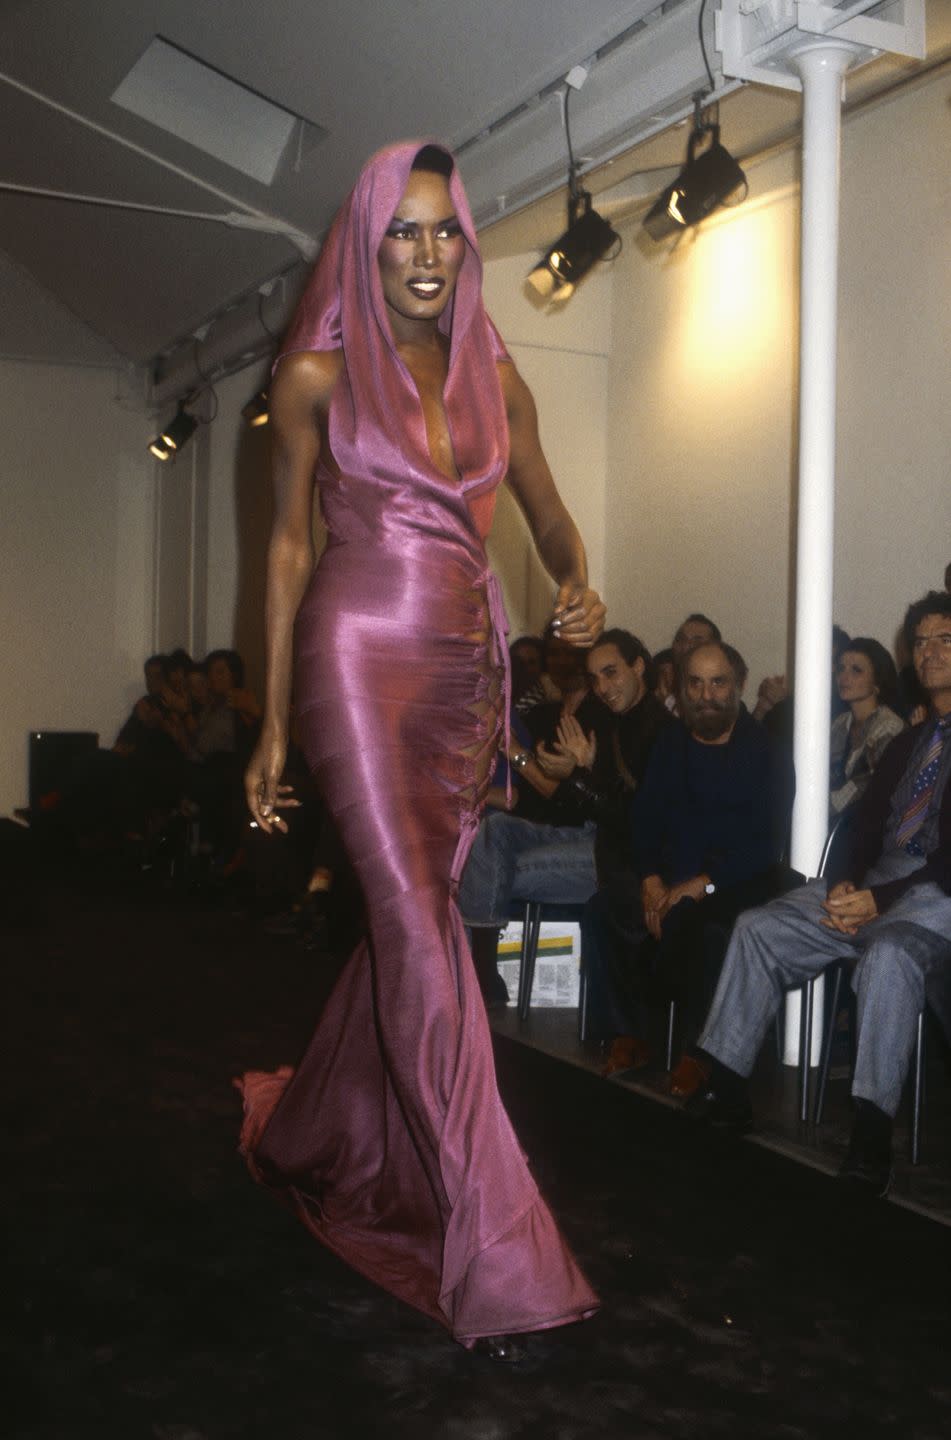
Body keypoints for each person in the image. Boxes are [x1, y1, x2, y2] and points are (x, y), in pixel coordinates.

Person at [236, 141, 603, 1357]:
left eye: (446, 231)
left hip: (462, 674)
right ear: (366, 242)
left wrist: (579, 581)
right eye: (405, 231)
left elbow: (547, 515)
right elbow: (288, 550)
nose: (429, 252)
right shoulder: (313, 376)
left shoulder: (501, 375)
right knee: (409, 920)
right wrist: (276, 718)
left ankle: (322, 1131)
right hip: (353, 659)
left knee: (416, 925)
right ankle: (491, 1233)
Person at [687, 591, 951, 1196]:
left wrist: (881, 903)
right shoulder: (911, 742)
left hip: (938, 895)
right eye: (922, 641)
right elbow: (862, 822)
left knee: (888, 958)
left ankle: (869, 1134)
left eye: (946, 640)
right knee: (758, 925)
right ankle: (727, 1088)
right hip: (879, 880)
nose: (931, 652)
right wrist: (847, 882)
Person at [584, 641, 792, 1085]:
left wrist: (703, 883)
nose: (706, 694)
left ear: (738, 685)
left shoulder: (767, 751)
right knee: (606, 908)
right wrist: (651, 879)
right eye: (694, 683)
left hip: (734, 879)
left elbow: (767, 844)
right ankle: (633, 1033)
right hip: (670, 875)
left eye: (718, 683)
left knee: (704, 928)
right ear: (681, 688)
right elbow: (644, 820)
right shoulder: (671, 742)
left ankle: (706, 1050)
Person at [830, 638, 905, 821]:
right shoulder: (840, 723)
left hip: (870, 827)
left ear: (877, 682)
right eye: (841, 669)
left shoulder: (889, 728)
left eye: (856, 670)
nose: (844, 678)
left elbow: (867, 788)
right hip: (836, 825)